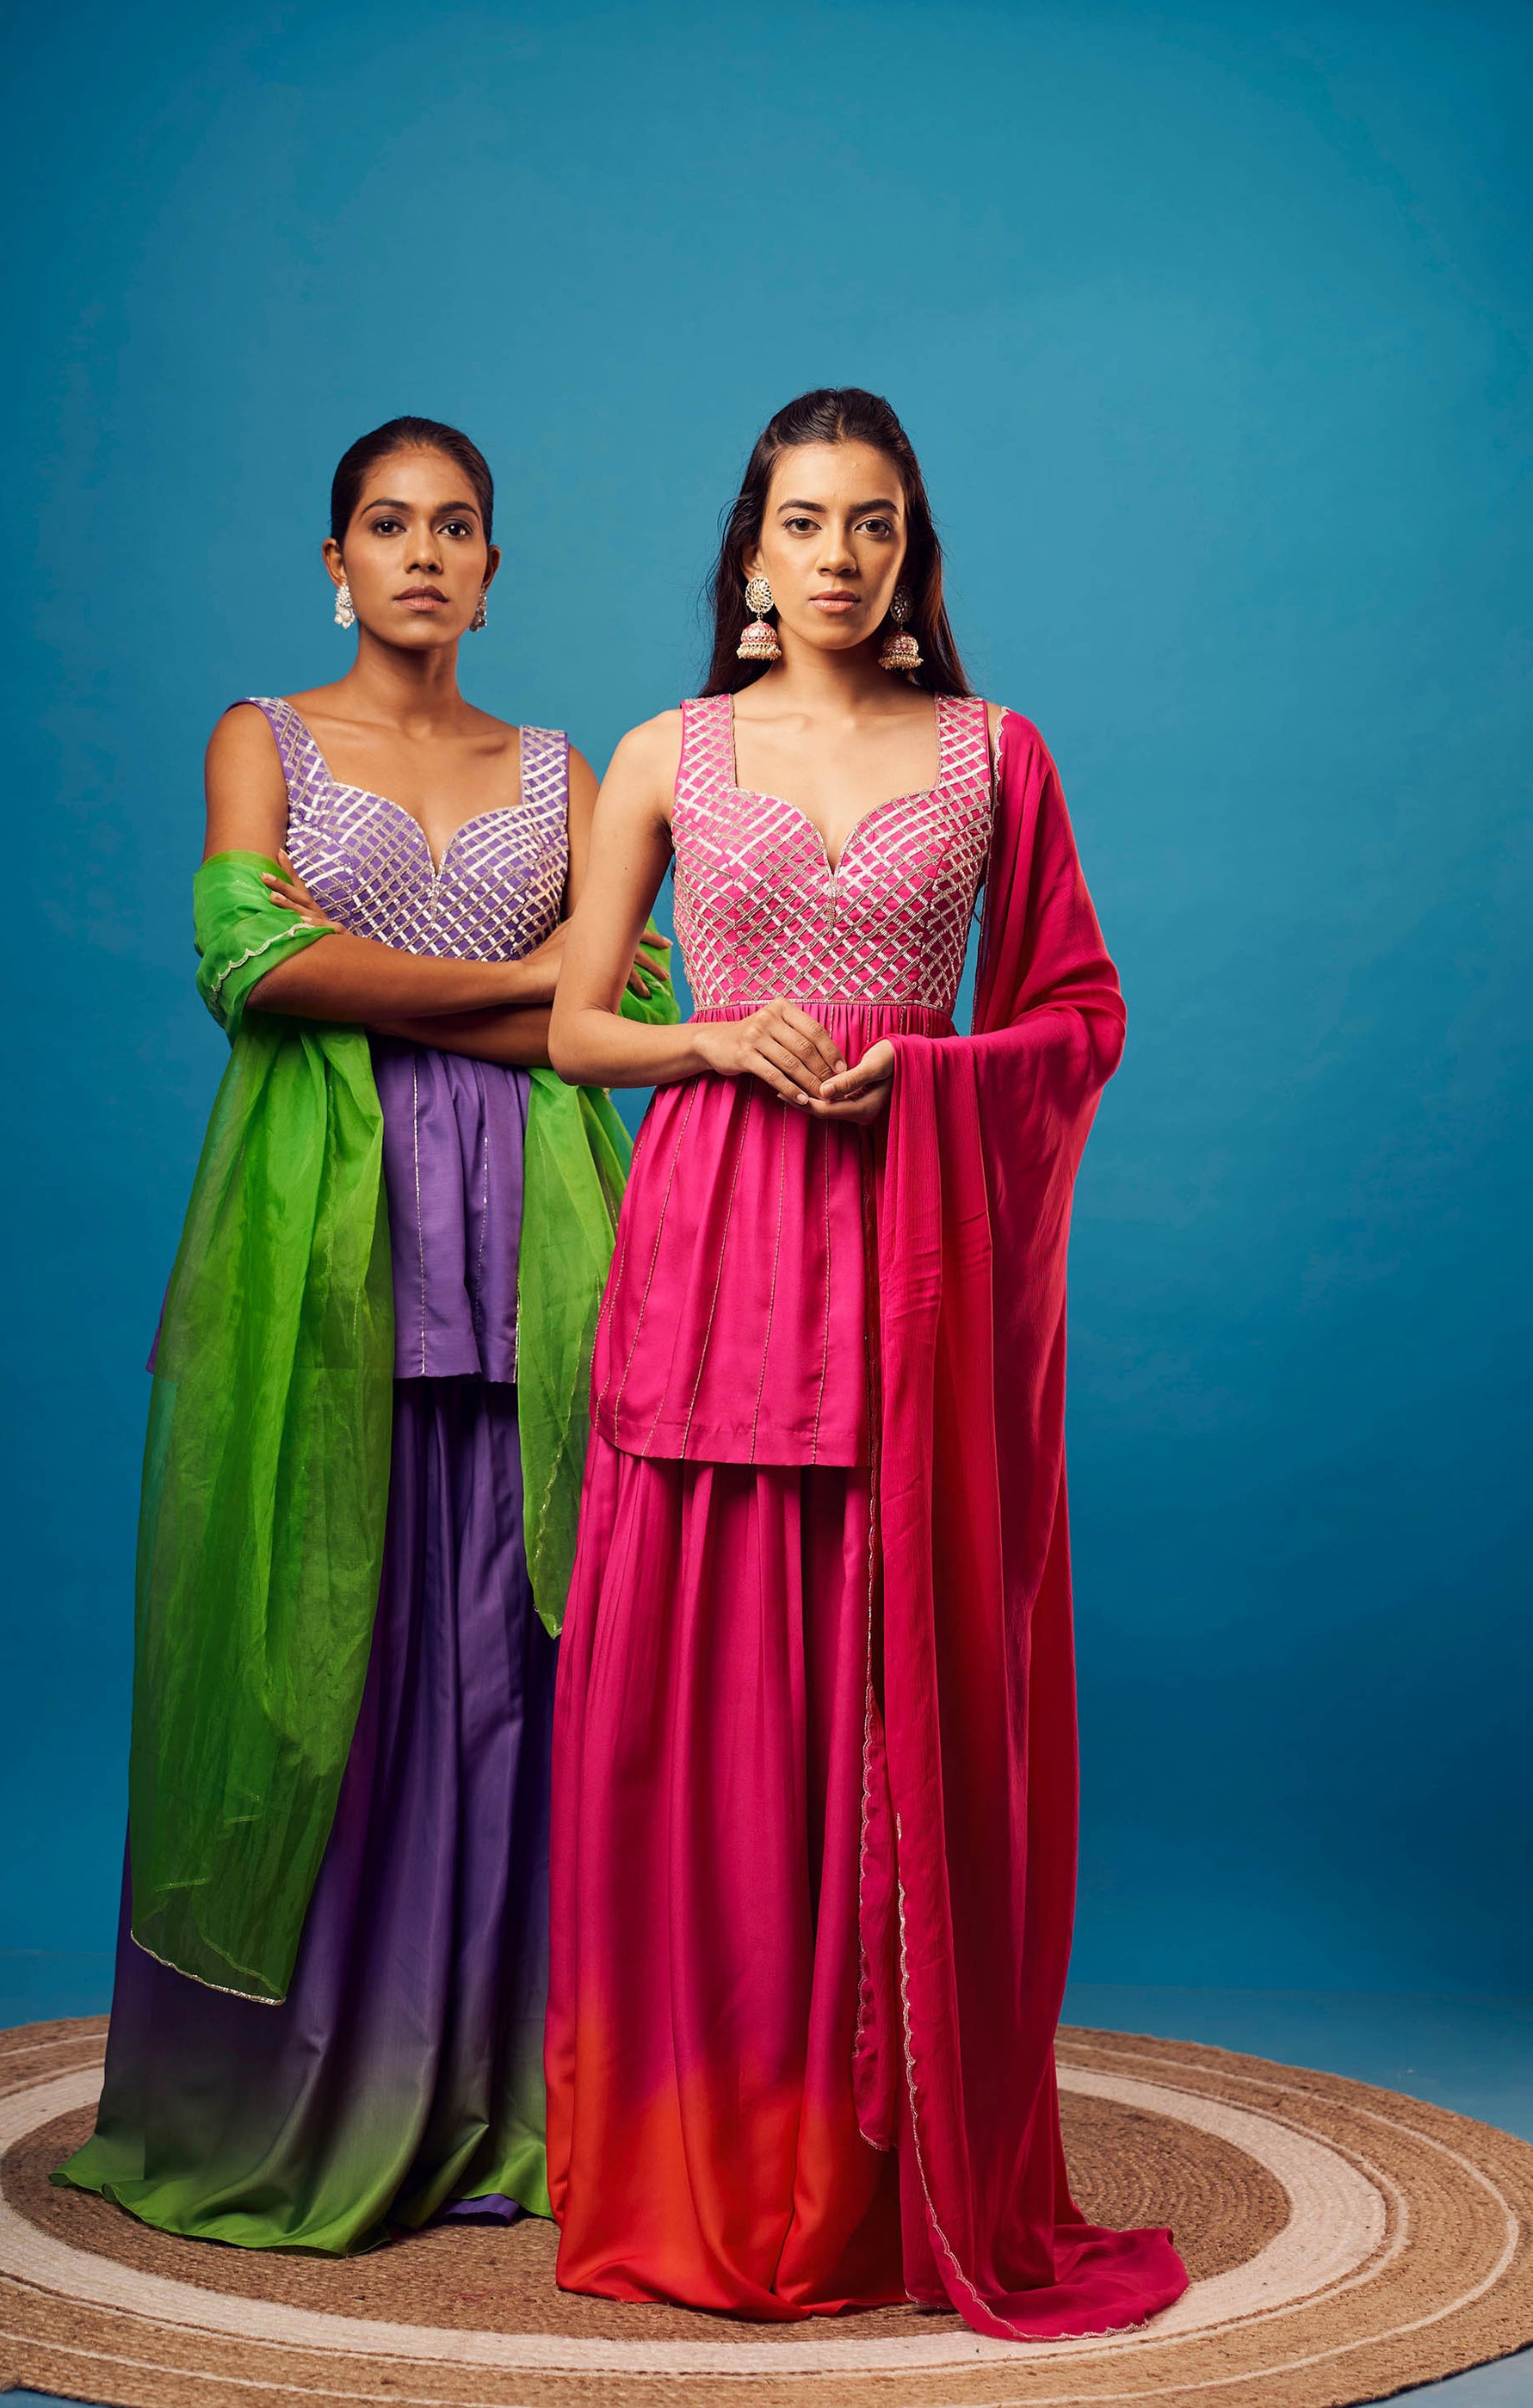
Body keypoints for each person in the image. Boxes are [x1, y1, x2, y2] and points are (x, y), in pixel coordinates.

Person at [543, 388, 1189, 2337]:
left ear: (914, 554)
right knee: (699, 1701)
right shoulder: (664, 751)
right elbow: (575, 1026)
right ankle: (704, 2153)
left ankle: (869, 2173)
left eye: (875, 524)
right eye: (807, 522)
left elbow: (1079, 1010)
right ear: (750, 553)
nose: (840, 557)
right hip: (710, 1244)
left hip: (907, 1267)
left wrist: (935, 1072)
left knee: (873, 1685)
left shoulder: (996, 755)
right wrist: (712, 1040)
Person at [56, 415, 672, 2253]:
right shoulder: (263, 737)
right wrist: (521, 980)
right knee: (324, 1654)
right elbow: (253, 961)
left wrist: (456, 987)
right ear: (336, 563)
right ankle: (313, 2093)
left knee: (513, 1664)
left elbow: (624, 1009)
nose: (422, 552)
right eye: (387, 525)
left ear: (492, 569)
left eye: (455, 525)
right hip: (320, 1241)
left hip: (540, 1253)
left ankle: (508, 2090)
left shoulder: (562, 768)